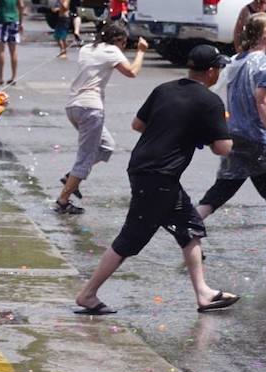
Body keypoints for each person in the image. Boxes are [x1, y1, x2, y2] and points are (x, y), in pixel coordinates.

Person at [73, 45, 239, 316]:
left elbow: (137, 125)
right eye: (218, 68)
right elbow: (223, 148)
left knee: (190, 227)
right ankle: (88, 294)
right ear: (211, 72)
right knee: (131, 238)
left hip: (147, 168)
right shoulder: (210, 102)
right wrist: (207, 131)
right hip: (159, 175)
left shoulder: (165, 89)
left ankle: (203, 293)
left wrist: (172, 128)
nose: (218, 73)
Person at [196, 15, 266, 258]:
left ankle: (191, 223)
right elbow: (263, 101)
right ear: (264, 34)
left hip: (234, 134)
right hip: (258, 137)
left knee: (225, 186)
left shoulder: (235, 61)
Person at [55, 22, 146, 214]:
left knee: (106, 146)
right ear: (118, 40)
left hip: (73, 106)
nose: (124, 46)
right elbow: (132, 72)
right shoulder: (112, 50)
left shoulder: (87, 48)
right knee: (85, 158)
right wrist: (140, 52)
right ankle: (63, 200)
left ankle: (72, 178)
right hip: (90, 108)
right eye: (124, 42)